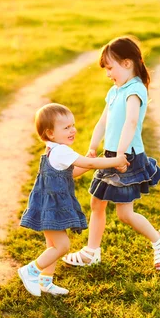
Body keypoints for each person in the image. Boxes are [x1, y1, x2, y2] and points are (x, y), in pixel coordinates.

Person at [62, 36, 160, 271]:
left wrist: (120, 155)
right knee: (96, 203)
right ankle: (92, 252)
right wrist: (93, 147)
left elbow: (131, 122)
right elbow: (103, 121)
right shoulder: (115, 91)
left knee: (125, 214)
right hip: (110, 155)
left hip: (127, 157)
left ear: (126, 63)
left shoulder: (135, 89)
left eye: (110, 67)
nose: (108, 74)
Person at [18, 103, 128, 297]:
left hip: (48, 205)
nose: (73, 130)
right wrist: (115, 161)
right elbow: (91, 163)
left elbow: (73, 172)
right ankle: (31, 270)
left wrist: (90, 161)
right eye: (66, 127)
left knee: (52, 245)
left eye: (73, 125)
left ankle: (45, 282)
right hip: (52, 206)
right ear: (50, 133)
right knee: (62, 246)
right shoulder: (61, 151)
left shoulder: (54, 149)